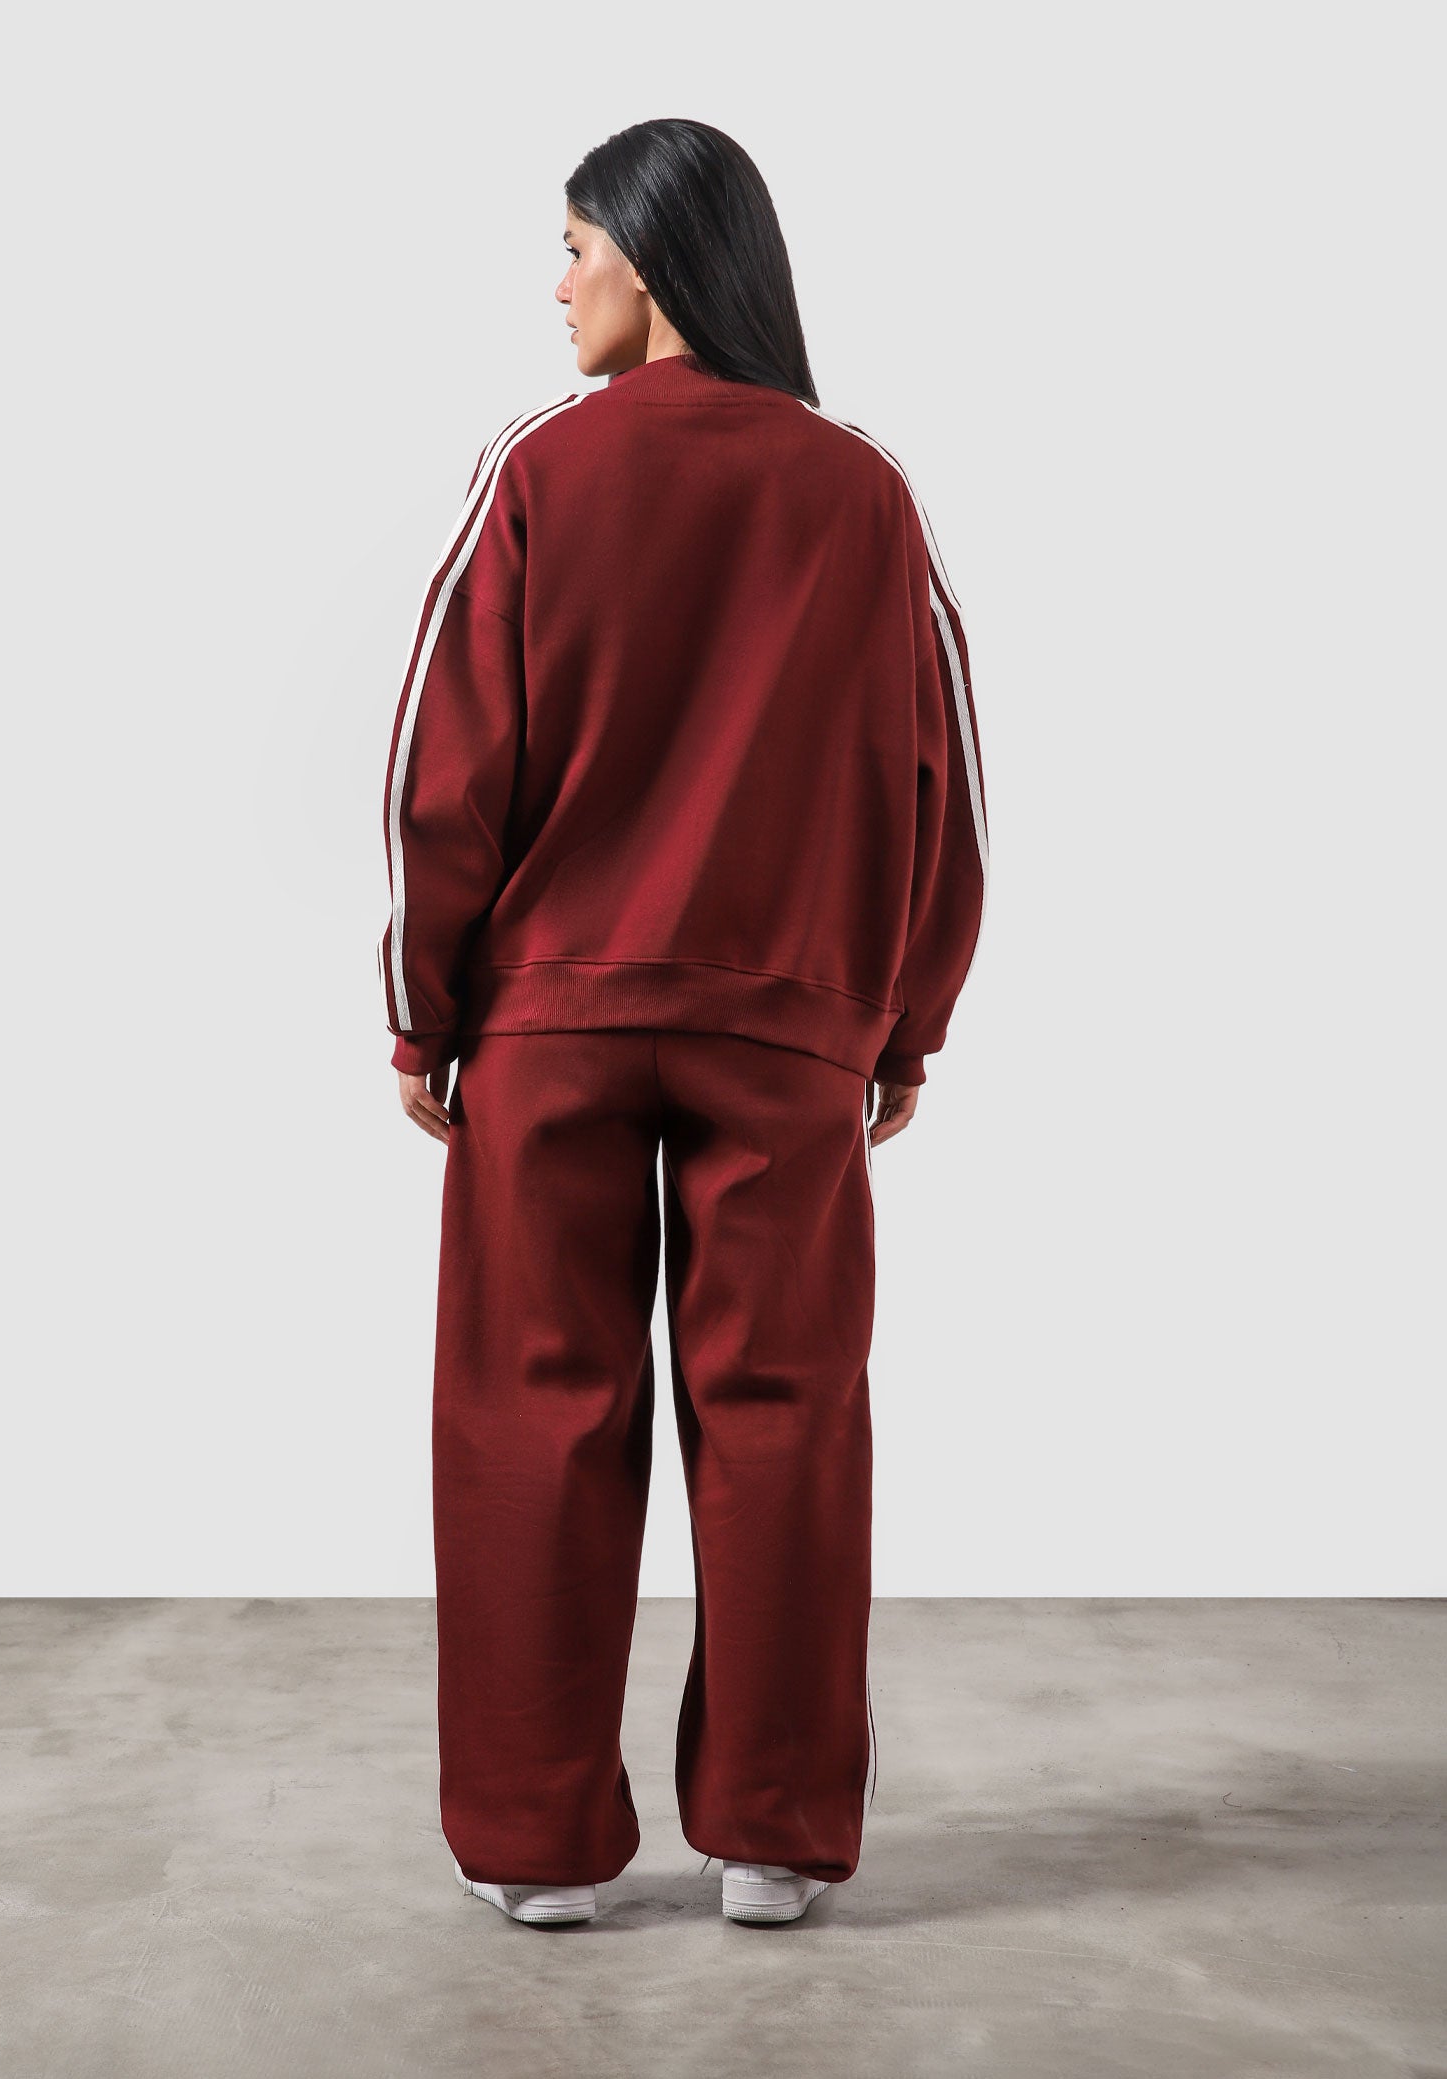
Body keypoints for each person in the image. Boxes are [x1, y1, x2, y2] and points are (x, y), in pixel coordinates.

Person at [378, 118, 988, 1930]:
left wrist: (424, 1012)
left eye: (573, 244)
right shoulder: (860, 490)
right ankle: (775, 1837)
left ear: (647, 256)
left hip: (550, 1026)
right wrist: (905, 1020)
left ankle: (534, 1845)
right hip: (784, 1028)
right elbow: (941, 776)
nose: (555, 281)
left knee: (530, 1408)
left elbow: (442, 769)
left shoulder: (541, 468)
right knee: (784, 1412)